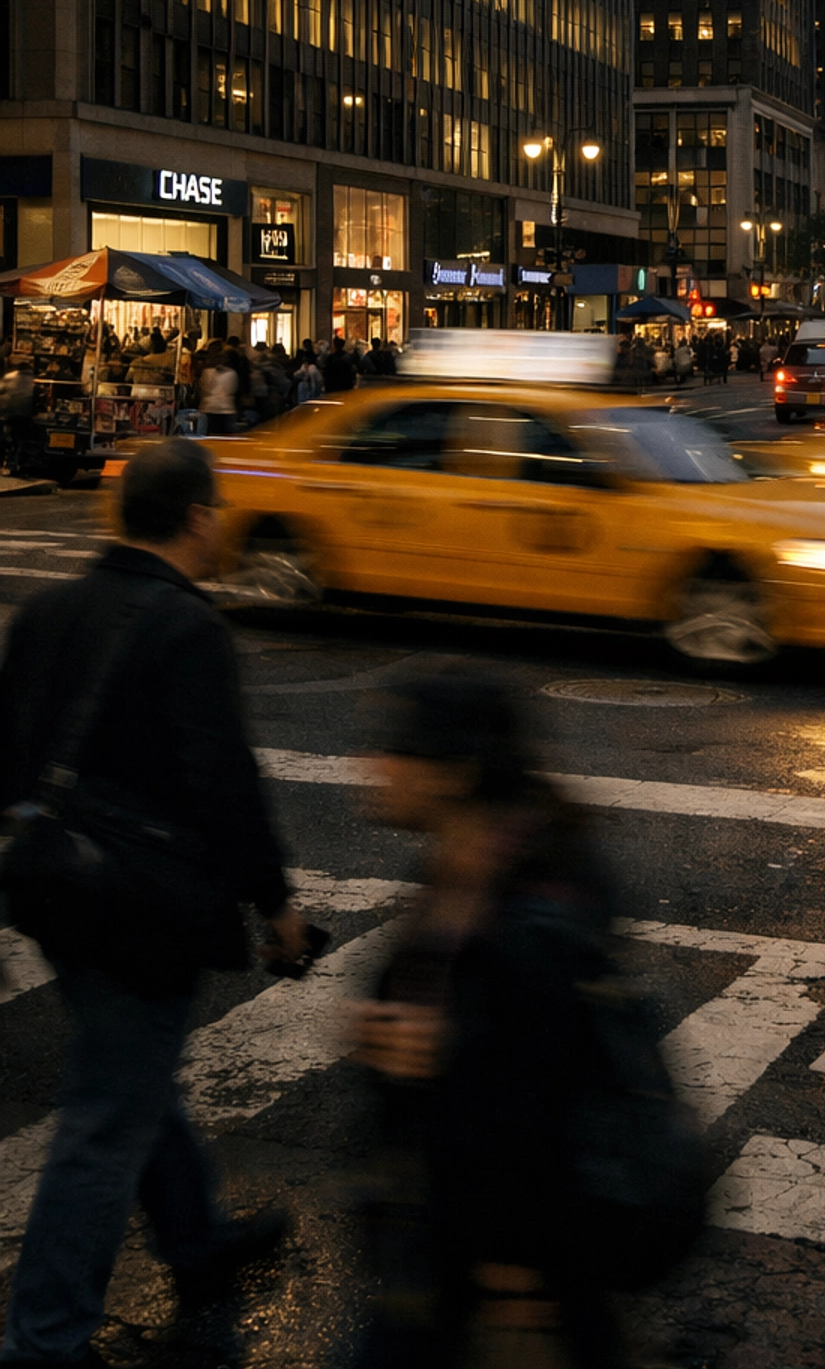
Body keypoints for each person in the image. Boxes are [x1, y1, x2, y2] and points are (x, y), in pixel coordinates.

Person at [0, 439, 309, 1366]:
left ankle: (193, 1239)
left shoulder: (50, 608)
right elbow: (224, 781)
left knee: (132, 1073)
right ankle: (46, 1338)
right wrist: (277, 904)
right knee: (106, 1117)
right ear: (198, 519)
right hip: (142, 907)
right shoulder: (187, 628)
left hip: (54, 887)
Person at [349, 672, 632, 1369]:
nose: (373, 765)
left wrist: (513, 1274)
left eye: (395, 748)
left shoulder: (526, 906)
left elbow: (542, 1089)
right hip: (448, 1248)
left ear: (456, 773)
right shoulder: (472, 863)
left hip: (496, 1271)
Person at [196, 347, 239, 437]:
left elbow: (204, 389)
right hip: (221, 410)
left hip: (213, 409)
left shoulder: (230, 373)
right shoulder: (231, 373)